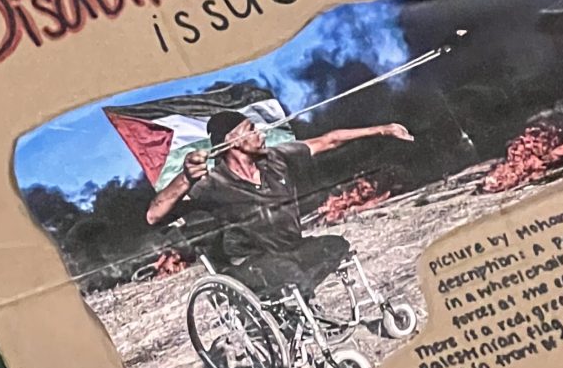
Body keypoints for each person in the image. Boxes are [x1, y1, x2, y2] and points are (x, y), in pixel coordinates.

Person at [145, 110, 414, 301]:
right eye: (251, 129)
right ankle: (300, 315)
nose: (261, 133)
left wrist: (384, 129)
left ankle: (297, 307)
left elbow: (328, 140)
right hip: (251, 263)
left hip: (291, 250)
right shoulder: (212, 183)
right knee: (289, 273)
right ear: (233, 141)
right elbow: (154, 215)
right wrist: (185, 179)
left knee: (336, 246)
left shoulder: (276, 159)